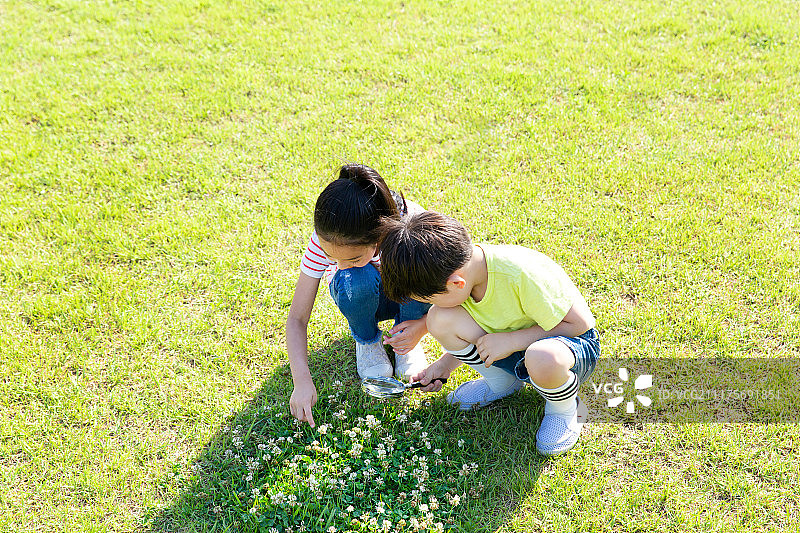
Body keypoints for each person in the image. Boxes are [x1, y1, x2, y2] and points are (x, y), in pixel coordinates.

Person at [378, 212, 599, 455]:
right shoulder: (465, 269)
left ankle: (564, 408)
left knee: (542, 356)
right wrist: (445, 365)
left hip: (567, 348)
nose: (433, 304)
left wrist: (512, 340)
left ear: (456, 283)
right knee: (438, 319)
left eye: (432, 298)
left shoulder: (519, 274)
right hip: (509, 344)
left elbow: (580, 325)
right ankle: (502, 382)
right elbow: (488, 325)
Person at [286, 164, 431, 427]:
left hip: (410, 294)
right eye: (332, 258)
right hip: (363, 296)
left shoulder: (413, 227)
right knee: (355, 278)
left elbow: (453, 287)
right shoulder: (326, 237)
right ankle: (367, 340)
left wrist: (422, 326)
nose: (340, 266)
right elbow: (297, 318)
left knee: (417, 266)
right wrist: (302, 380)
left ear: (378, 237)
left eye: (352, 258)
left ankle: (406, 337)